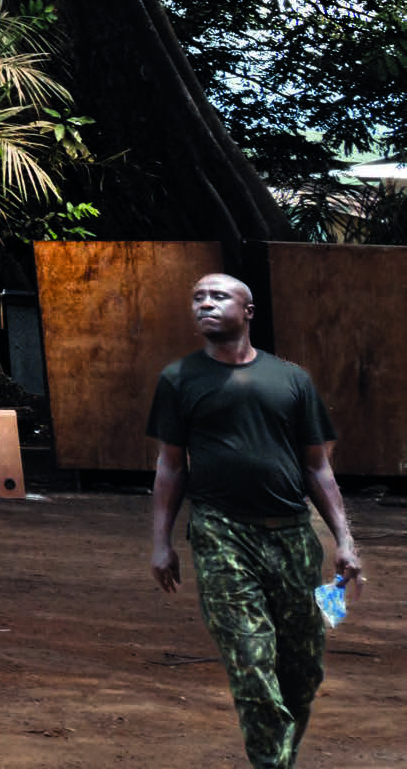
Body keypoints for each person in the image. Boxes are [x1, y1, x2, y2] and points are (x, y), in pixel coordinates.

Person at [149, 272, 365, 769]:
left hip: (293, 536)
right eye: (198, 297)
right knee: (250, 660)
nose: (205, 304)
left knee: (303, 670)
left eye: (218, 296)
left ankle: (280, 759)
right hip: (222, 533)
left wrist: (345, 540)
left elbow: (318, 468)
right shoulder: (178, 379)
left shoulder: (291, 380)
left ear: (247, 311)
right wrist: (161, 542)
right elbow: (170, 467)